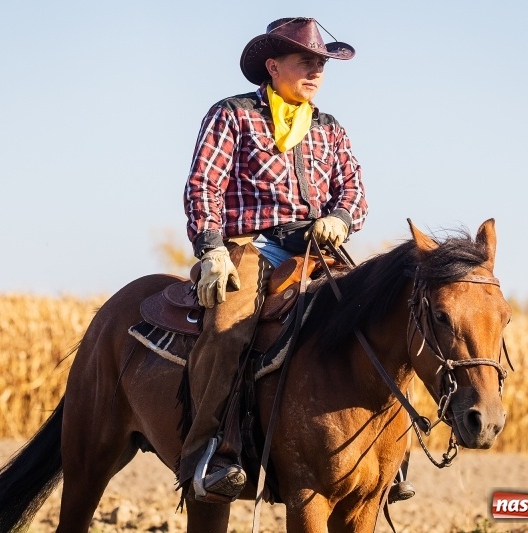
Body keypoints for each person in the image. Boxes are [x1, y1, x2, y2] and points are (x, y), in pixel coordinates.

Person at [180, 17, 372, 503]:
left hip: (316, 248)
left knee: (380, 315)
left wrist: (343, 219)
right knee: (229, 328)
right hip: (250, 245)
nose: (316, 70)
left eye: (321, 63)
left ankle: (385, 458)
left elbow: (354, 190)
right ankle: (208, 455)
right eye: (305, 60)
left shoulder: (330, 128)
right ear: (273, 65)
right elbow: (204, 185)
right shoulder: (233, 115)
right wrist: (212, 249)